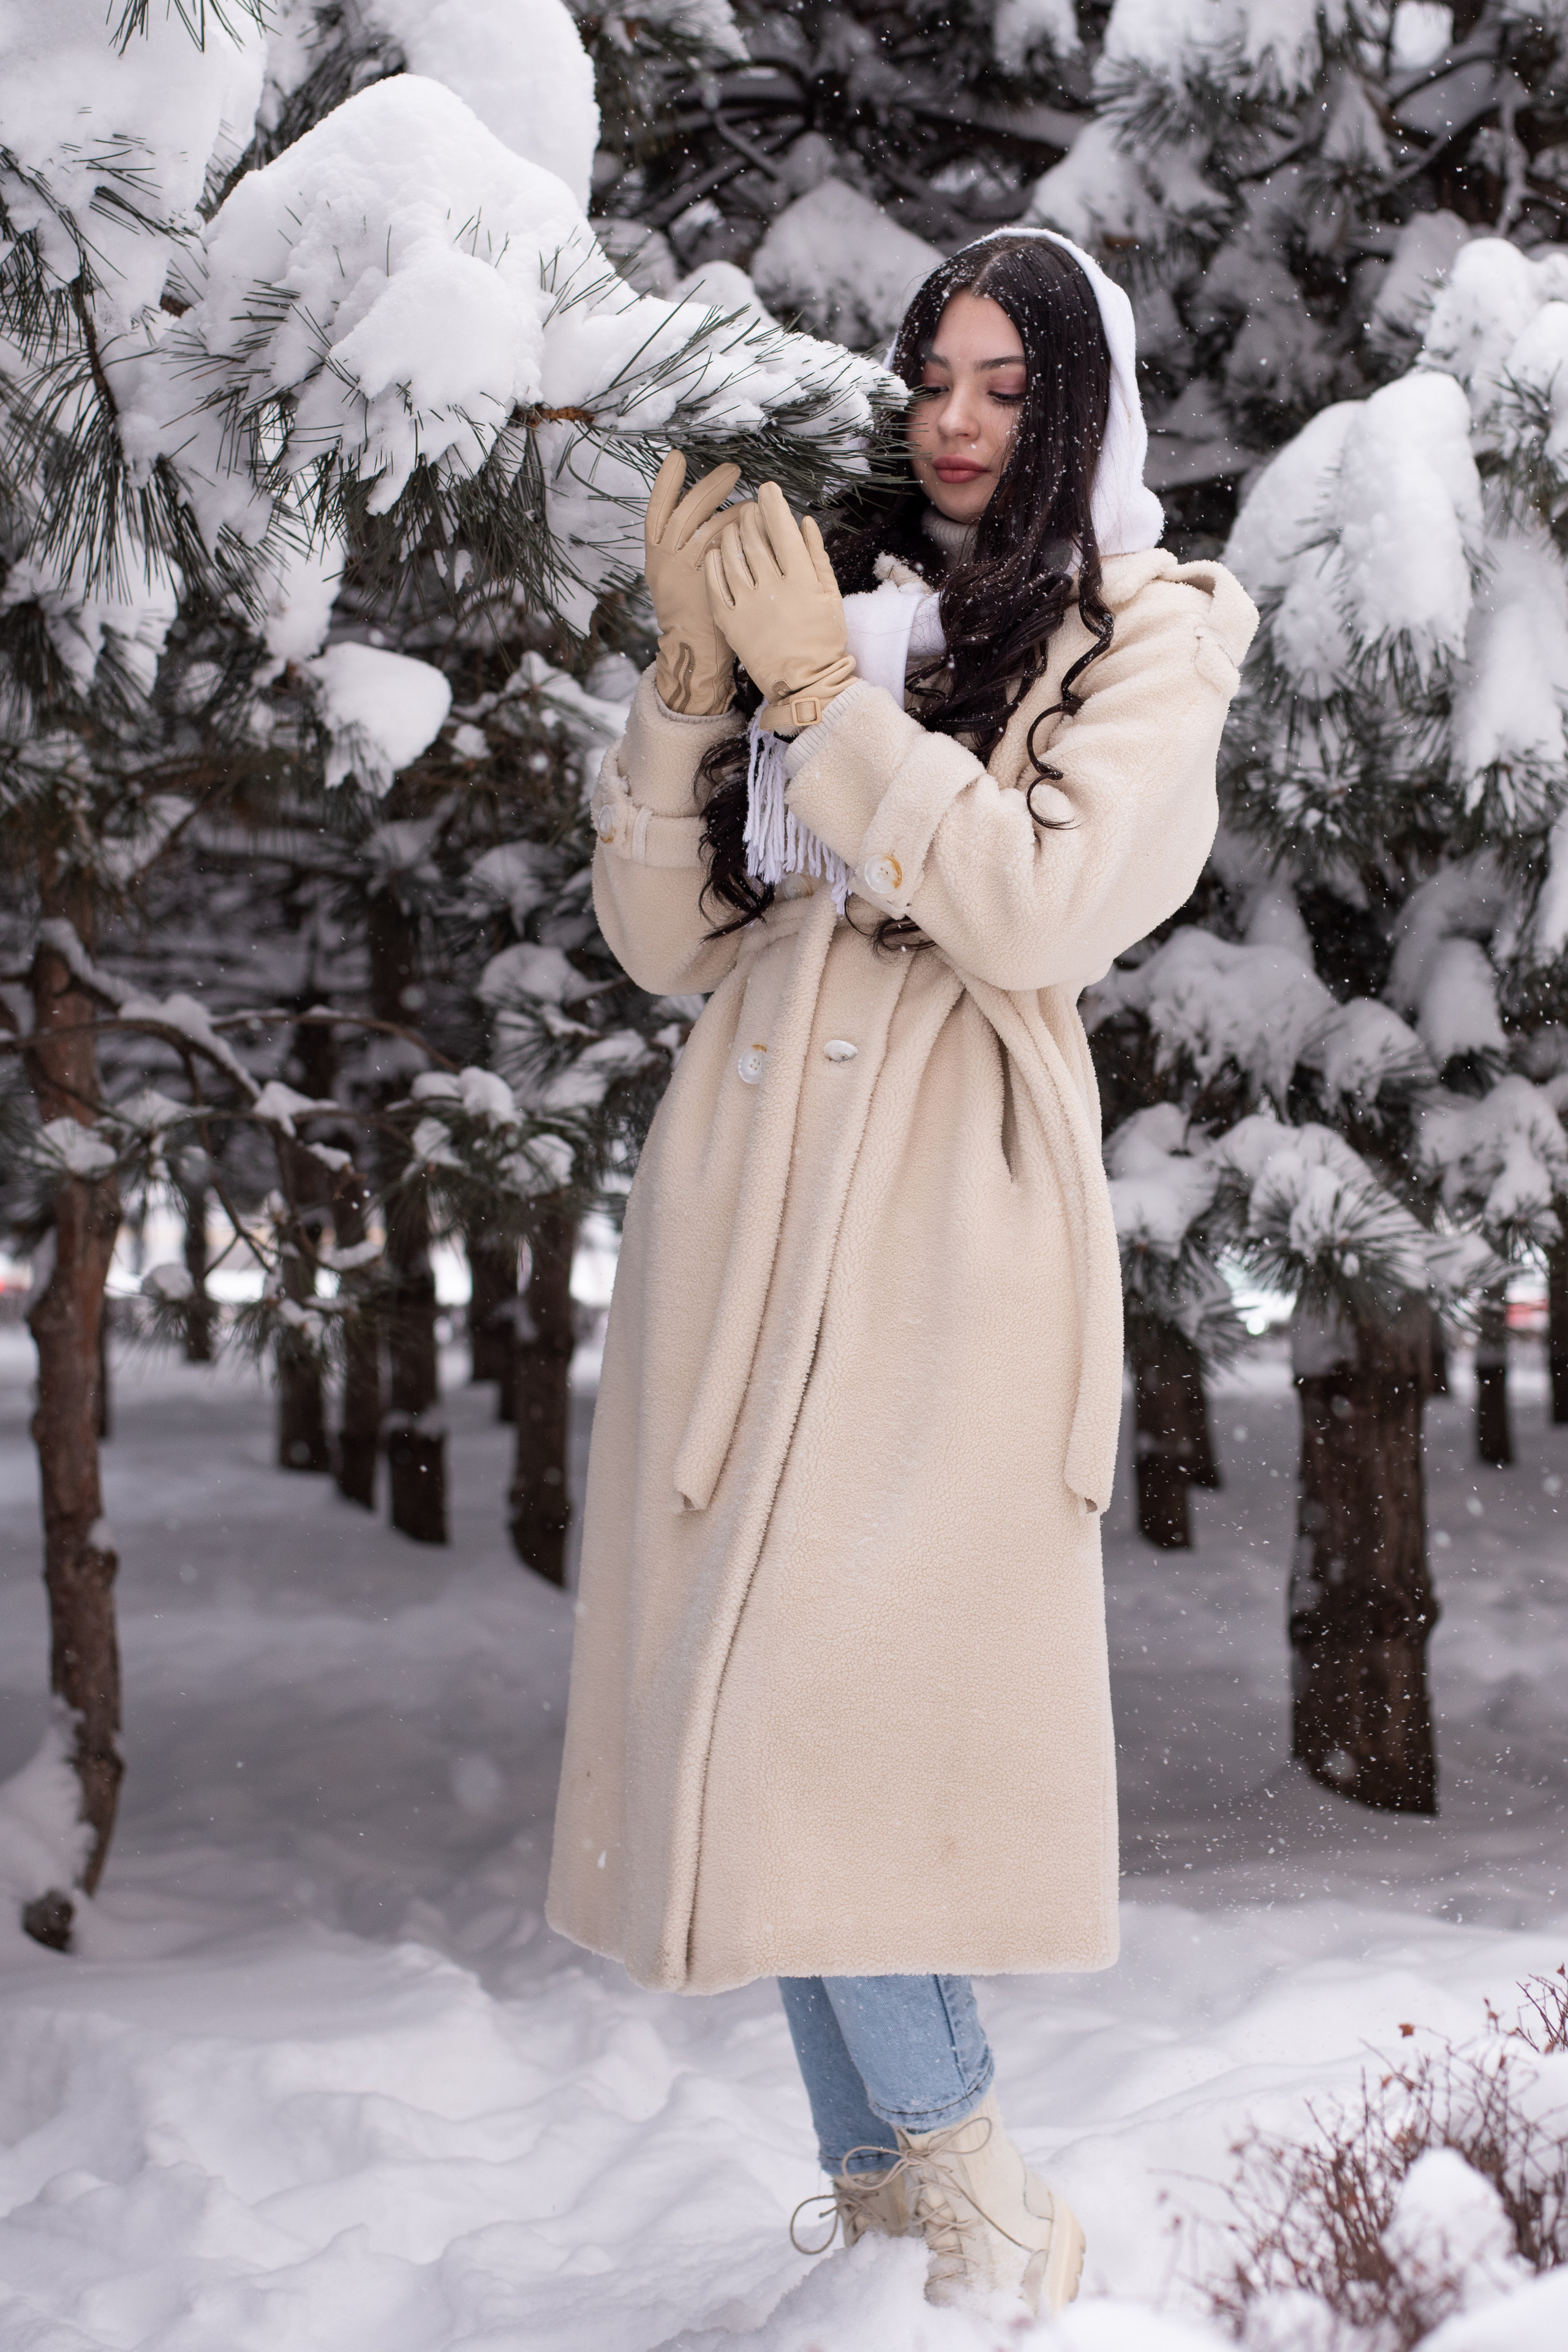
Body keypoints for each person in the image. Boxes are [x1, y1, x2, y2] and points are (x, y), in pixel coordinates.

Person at [545, 231, 1258, 2316]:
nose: (955, 419)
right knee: (749, 1714)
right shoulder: (834, 597)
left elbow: (1038, 904)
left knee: (825, 1709)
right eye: (931, 375)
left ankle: (979, 2206)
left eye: (1006, 386)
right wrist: (694, 691)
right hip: (751, 1179)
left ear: (1081, 412)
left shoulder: (1150, 632)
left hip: (948, 1195)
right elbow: (670, 946)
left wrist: (824, 700)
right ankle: (884, 2231)